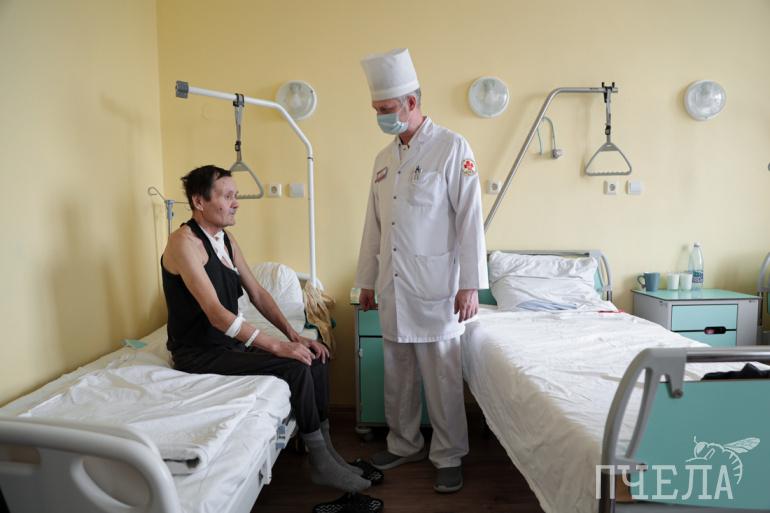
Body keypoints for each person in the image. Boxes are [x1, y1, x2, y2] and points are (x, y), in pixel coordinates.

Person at [161, 165, 370, 493]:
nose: (236, 202)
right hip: (198, 353)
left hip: (228, 345)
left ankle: (325, 453)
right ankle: (320, 463)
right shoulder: (183, 243)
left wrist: (294, 336)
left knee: (316, 357)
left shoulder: (225, 240)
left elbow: (258, 293)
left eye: (235, 195)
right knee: (295, 366)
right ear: (199, 201)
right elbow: (216, 315)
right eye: (227, 196)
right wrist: (278, 347)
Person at [355, 48, 488, 493]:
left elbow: (470, 221)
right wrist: (366, 282)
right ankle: (403, 442)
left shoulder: (452, 148)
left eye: (386, 109)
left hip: (437, 288)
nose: (380, 117)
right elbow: (373, 226)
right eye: (376, 110)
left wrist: (470, 285)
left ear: (411, 102)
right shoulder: (382, 160)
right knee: (398, 375)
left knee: (442, 378)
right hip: (393, 286)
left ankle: (448, 455)